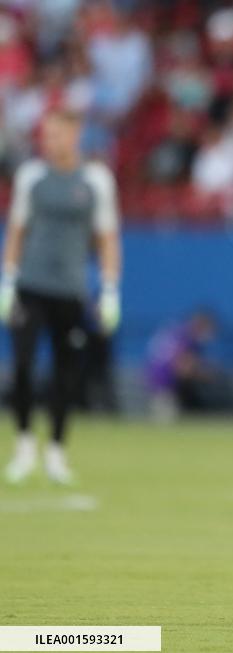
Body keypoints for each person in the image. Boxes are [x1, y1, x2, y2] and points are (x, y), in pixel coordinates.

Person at [1, 109, 121, 484]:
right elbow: (18, 230)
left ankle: (55, 449)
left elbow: (106, 238)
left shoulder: (96, 180)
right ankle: (23, 444)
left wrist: (110, 289)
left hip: (71, 289)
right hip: (31, 285)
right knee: (21, 364)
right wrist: (7, 279)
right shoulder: (32, 176)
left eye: (57, 134)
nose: (50, 141)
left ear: (75, 135)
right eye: (46, 134)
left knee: (66, 372)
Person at [145, 310, 218, 423]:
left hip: (156, 380)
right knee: (167, 424)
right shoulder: (187, 338)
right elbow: (182, 367)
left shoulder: (176, 331)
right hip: (166, 383)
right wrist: (204, 374)